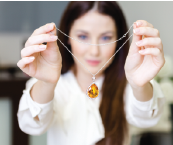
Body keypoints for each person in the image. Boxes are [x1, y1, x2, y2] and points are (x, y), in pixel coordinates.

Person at [17, 1, 165, 145]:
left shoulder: (129, 85)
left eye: (106, 38)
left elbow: (146, 118)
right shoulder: (48, 85)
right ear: (68, 37)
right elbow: (31, 125)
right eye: (83, 36)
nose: (94, 51)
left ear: (118, 41)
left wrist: (139, 86)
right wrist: (47, 84)